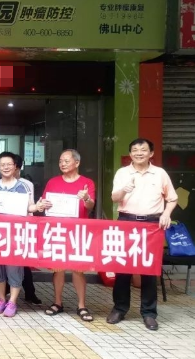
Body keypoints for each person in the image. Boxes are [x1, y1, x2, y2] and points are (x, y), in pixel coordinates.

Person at [106, 138, 177, 331]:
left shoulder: (160, 173)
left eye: (143, 150)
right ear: (130, 154)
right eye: (135, 150)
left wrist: (166, 214)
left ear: (151, 153)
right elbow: (114, 198)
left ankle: (149, 313)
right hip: (126, 221)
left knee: (149, 270)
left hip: (152, 224)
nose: (139, 153)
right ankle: (119, 308)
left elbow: (172, 199)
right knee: (122, 267)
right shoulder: (122, 173)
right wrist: (124, 190)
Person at [38, 149, 96, 322]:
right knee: (58, 269)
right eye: (60, 161)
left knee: (78, 269)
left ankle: (81, 305)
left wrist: (86, 198)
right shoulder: (53, 182)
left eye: (66, 161)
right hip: (57, 231)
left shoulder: (87, 183)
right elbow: (43, 202)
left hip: (78, 232)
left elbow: (90, 206)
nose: (62, 164)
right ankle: (57, 302)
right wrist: (43, 204)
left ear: (77, 163)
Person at [0, 151, 47, 317]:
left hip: (15, 234)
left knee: (14, 267)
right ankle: (1, 299)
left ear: (15, 167)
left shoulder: (23, 186)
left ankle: (12, 302)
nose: (6, 167)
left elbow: (30, 207)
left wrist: (38, 207)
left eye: (9, 164)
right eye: (2, 165)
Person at [13, 154, 41, 306]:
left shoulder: (26, 184)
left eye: (15, 166)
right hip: (5, 228)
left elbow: (31, 206)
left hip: (23, 226)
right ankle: (4, 292)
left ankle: (30, 292)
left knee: (23, 261)